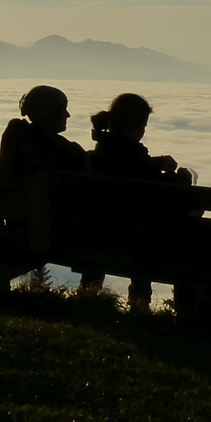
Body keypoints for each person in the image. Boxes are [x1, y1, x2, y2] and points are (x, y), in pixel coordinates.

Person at [85, 93, 197, 309]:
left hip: (96, 234)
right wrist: (183, 178)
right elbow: (162, 193)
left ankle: (88, 298)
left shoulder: (98, 156)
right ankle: (139, 305)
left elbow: (125, 168)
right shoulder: (135, 159)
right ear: (138, 127)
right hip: (139, 238)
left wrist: (153, 162)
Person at [0, 85, 89, 177]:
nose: (68, 115)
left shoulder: (14, 145)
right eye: (63, 110)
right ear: (49, 113)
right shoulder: (67, 152)